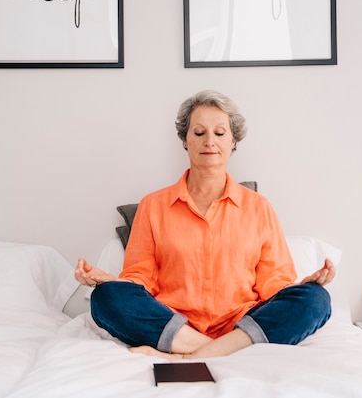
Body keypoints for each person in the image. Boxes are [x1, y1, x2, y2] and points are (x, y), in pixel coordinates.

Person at [74, 90, 335, 361]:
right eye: (199, 133)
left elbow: (273, 282)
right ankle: (223, 350)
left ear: (234, 140)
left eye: (220, 133)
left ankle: (187, 355)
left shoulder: (259, 207)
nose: (209, 141)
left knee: (316, 300)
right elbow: (141, 278)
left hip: (242, 322)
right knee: (105, 298)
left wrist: (300, 287)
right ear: (185, 141)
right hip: (172, 323)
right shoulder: (153, 206)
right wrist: (113, 283)